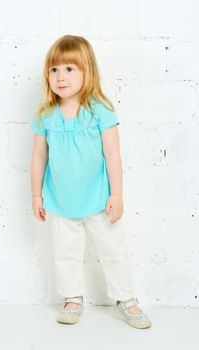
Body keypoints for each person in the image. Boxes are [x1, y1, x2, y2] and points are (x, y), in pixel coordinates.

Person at [30, 34, 152, 329]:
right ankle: (72, 296)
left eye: (70, 69)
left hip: (98, 199)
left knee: (113, 251)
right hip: (60, 199)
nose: (61, 77)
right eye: (55, 69)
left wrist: (117, 195)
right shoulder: (46, 115)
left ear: (87, 72)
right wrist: (36, 196)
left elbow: (113, 155)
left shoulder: (99, 110)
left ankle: (125, 298)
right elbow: (37, 158)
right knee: (65, 252)